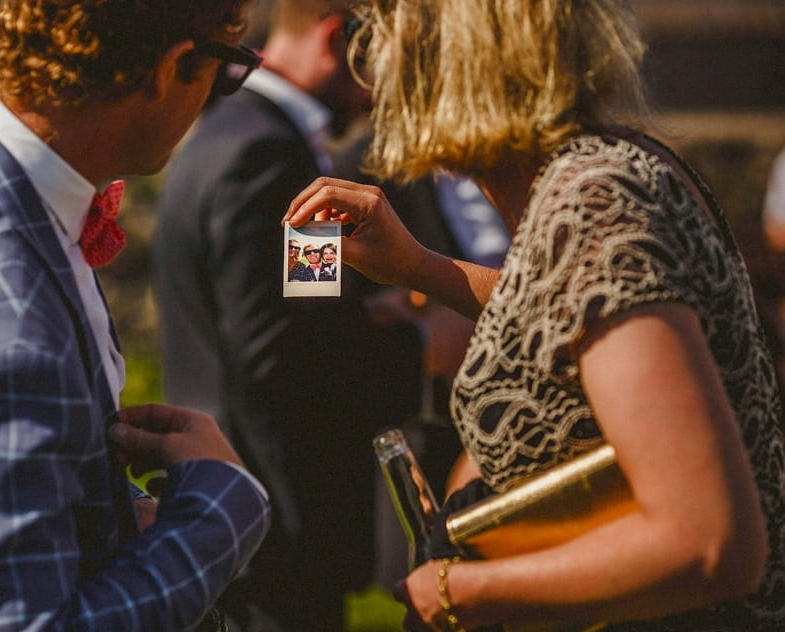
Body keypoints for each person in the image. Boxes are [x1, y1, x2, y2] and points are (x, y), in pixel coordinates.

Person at [284, 0, 785, 630]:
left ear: (451, 55)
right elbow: (574, 313)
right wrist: (418, 267)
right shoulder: (596, 170)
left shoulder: (594, 200)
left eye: (384, 28)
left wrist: (460, 591)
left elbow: (710, 544)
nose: (370, 58)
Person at [0, 1, 272, 630]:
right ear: (172, 69)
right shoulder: (8, 344)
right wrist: (221, 509)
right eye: (227, 70)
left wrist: (108, 517)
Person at [153, 1, 427, 628]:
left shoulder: (232, 131)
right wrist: (422, 347)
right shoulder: (272, 159)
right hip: (276, 530)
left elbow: (299, 311)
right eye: (380, 64)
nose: (379, 93)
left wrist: (365, 313)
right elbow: (285, 355)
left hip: (234, 519)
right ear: (335, 40)